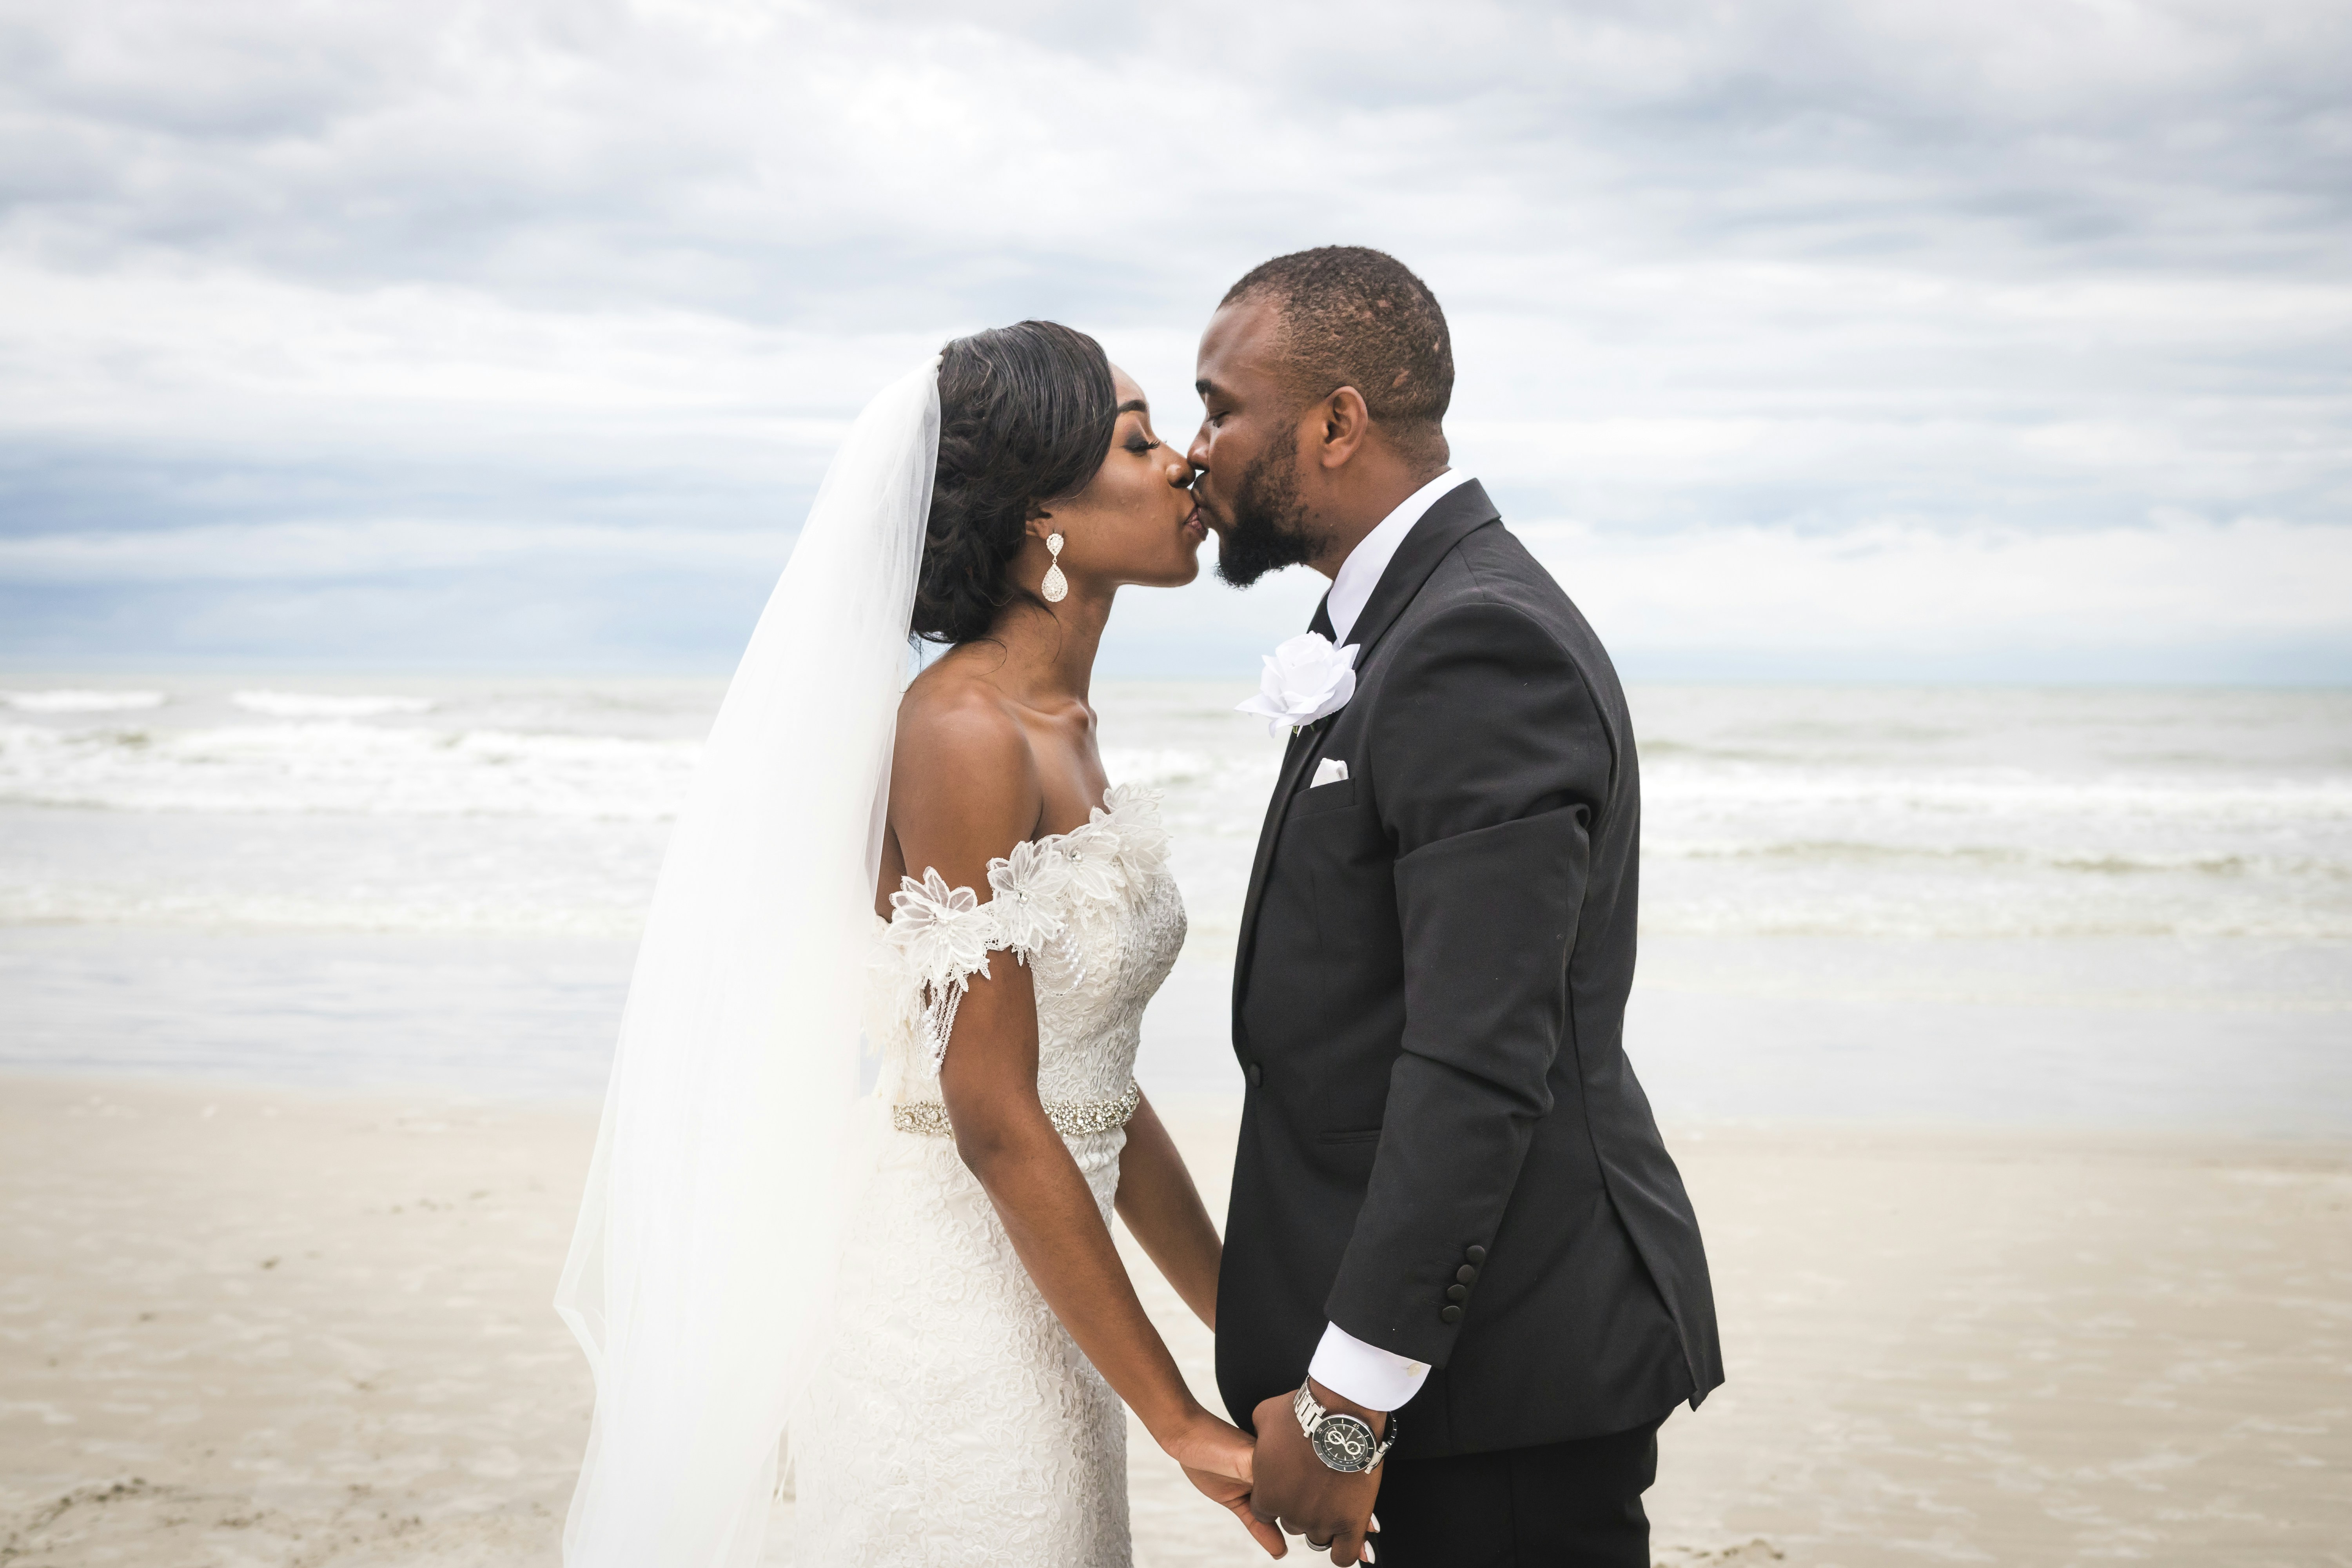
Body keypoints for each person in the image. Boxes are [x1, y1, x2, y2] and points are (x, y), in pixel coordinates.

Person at [557, 323, 1280, 1567]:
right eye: (1137, 439)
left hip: (1053, 1301)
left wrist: (1252, 1338)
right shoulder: (963, 729)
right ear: (1039, 513)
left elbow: (1092, 1084)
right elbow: (989, 1103)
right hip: (951, 1324)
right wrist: (1179, 1424)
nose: (1184, 467)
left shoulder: (1065, 722)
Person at [1190, 247, 1726, 1567]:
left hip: (1503, 1384)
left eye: (1220, 406)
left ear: (1335, 422)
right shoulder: (1403, 623)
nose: (1198, 449)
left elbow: (1481, 1055)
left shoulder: (1477, 643)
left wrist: (1352, 1405)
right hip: (1463, 1373)